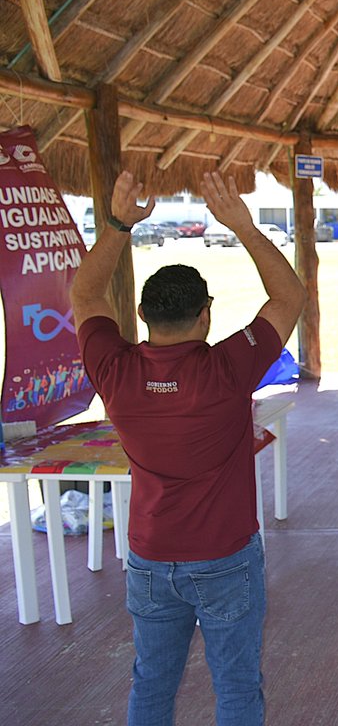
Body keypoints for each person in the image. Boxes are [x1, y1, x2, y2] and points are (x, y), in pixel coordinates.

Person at [71, 170, 305, 725]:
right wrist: (243, 227)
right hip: (224, 557)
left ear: (143, 317)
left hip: (150, 557)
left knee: (152, 685)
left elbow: (83, 292)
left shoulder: (114, 368)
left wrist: (119, 224)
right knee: (237, 687)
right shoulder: (227, 368)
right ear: (206, 315)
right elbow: (289, 296)